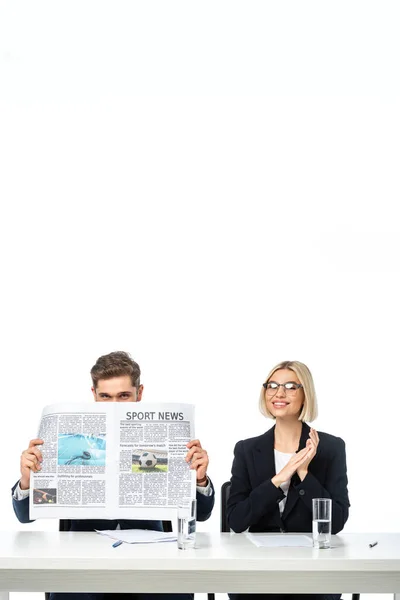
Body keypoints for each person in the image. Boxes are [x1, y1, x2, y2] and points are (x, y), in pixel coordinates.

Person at [12, 351, 215, 600]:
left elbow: (202, 514)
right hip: (85, 563)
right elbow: (24, 517)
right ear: (94, 395)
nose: (114, 405)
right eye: (105, 397)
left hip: (151, 561)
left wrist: (200, 480)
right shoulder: (72, 440)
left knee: (171, 593)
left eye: (124, 396)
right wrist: (27, 480)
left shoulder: (161, 438)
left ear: (139, 394)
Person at [227, 360, 349, 600]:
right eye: (272, 385)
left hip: (313, 569)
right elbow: (237, 520)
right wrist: (278, 480)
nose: (279, 393)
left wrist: (303, 473)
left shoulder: (331, 448)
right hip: (258, 570)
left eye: (291, 386)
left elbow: (336, 523)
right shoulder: (247, 449)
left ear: (306, 395)